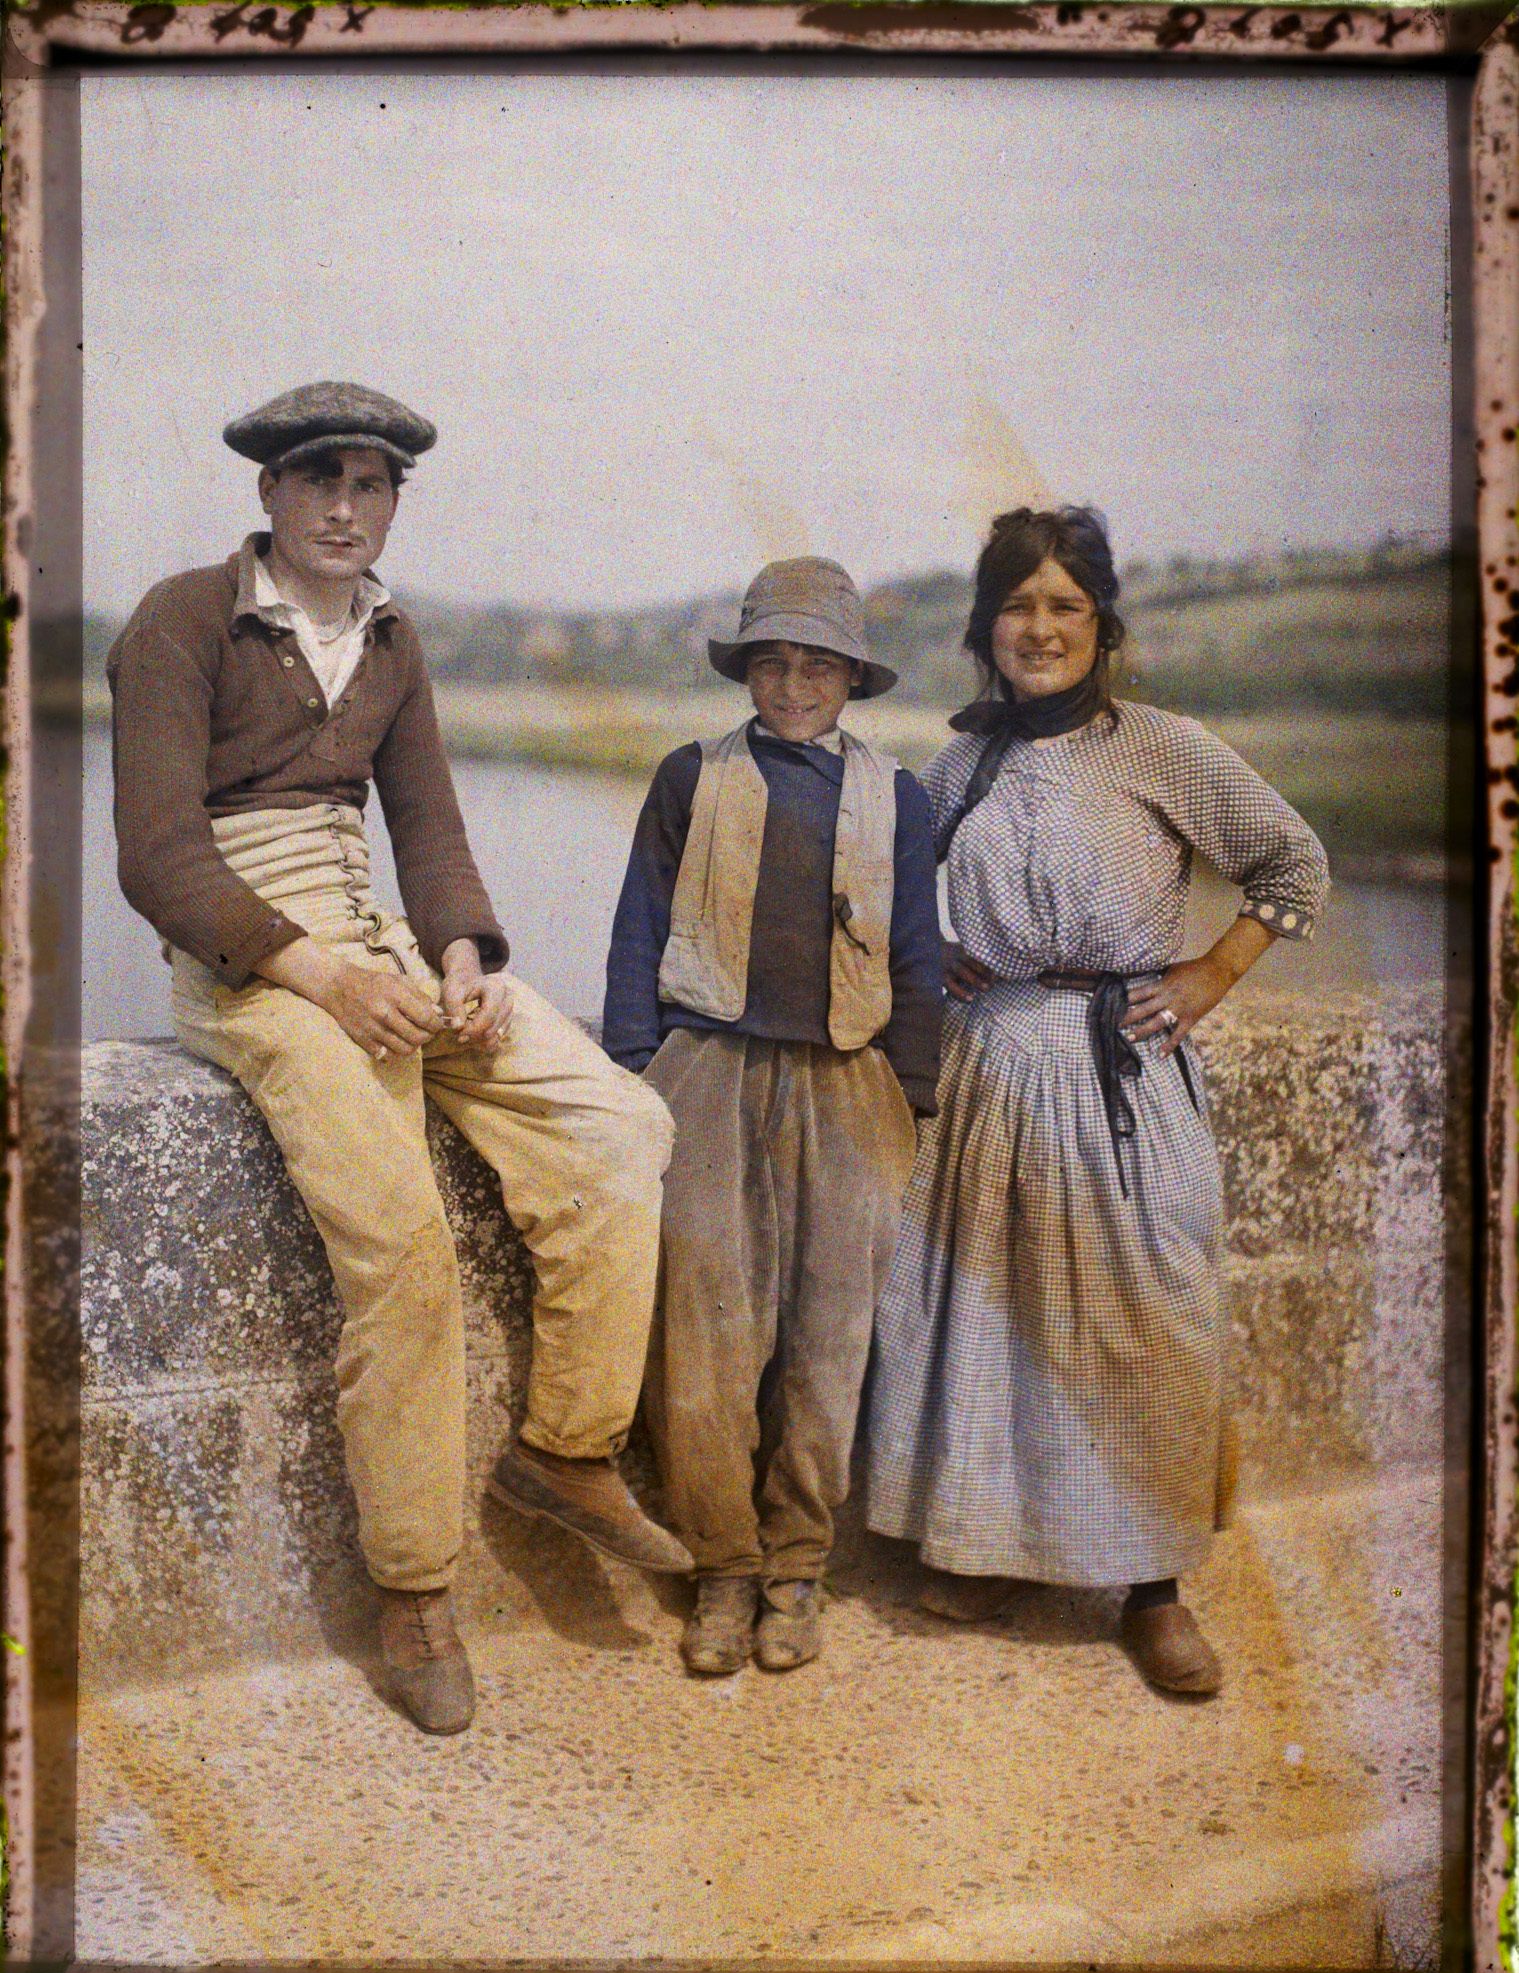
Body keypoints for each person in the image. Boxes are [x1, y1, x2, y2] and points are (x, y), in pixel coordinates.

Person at [108, 380, 689, 1739]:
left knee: (617, 1129)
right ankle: (415, 1588)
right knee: (406, 1249)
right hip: (253, 965)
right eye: (320, 478)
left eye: (371, 485)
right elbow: (156, 856)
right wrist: (315, 976)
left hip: (379, 939)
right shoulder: (183, 619)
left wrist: (465, 961)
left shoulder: (391, 637)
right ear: (266, 492)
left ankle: (567, 1446)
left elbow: (425, 821)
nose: (345, 507)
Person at [863, 506, 1330, 1696]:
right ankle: (997, 1551)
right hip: (987, 1067)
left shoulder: (1161, 748)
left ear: (1102, 625)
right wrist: (934, 954)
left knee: (1146, 1317)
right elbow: (877, 885)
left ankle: (1153, 1588)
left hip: (1116, 1067)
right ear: (984, 628)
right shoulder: (960, 763)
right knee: (993, 1320)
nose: (1038, 628)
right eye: (1016, 606)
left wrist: (1211, 970)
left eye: (1064, 606)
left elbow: (1292, 861)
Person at [603, 557, 943, 1675]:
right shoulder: (690, 777)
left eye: (819, 664)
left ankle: (798, 1566)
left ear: (853, 678)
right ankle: (722, 1568)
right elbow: (638, 928)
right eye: (774, 661)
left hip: (847, 1082)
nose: (795, 684)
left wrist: (913, 1092)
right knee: (702, 1333)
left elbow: (914, 958)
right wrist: (637, 1074)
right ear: (747, 669)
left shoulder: (896, 797)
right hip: (709, 1069)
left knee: (832, 1335)